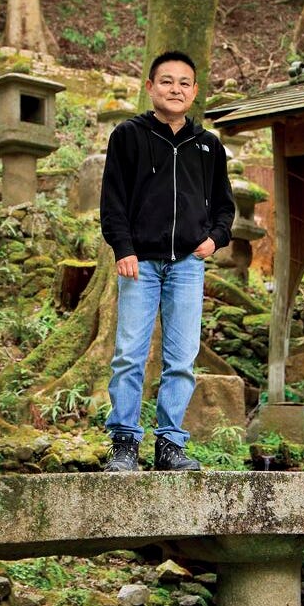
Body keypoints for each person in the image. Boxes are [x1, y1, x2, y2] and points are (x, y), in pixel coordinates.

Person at [99, 50, 236, 472]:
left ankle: (170, 445)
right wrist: (123, 247)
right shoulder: (129, 135)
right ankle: (123, 443)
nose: (174, 89)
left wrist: (214, 240)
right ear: (150, 87)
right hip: (139, 264)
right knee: (129, 354)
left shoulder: (208, 146)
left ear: (194, 91)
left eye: (183, 83)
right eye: (166, 81)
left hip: (188, 266)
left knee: (181, 359)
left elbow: (225, 207)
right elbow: (113, 199)